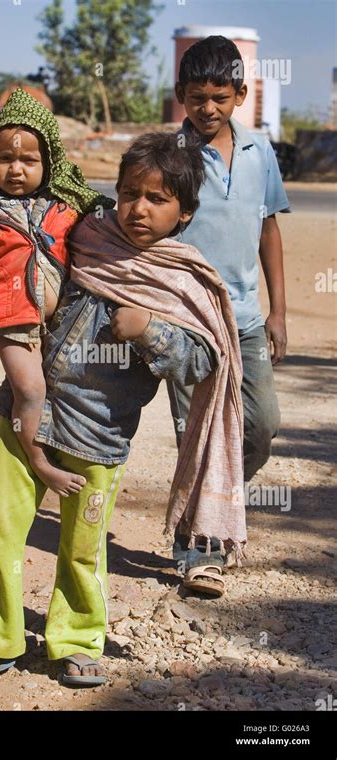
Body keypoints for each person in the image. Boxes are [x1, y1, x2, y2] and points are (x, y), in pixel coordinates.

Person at [0, 132, 244, 688]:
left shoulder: (181, 277)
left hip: (100, 433)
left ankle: (78, 639)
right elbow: (27, 199)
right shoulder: (89, 233)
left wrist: (151, 330)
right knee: (1, 529)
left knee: (83, 545)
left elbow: (202, 360)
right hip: (25, 414)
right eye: (130, 193)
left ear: (185, 213)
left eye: (157, 199)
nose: (139, 209)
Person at [0, 88, 113, 496]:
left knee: (63, 390)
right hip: (13, 323)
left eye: (28, 160)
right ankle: (40, 464)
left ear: (48, 161)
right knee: (31, 390)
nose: (16, 169)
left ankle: (60, 448)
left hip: (63, 322)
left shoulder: (66, 207)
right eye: (6, 159)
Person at [167, 35, 290, 596]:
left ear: (240, 95)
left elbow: (268, 229)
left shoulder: (260, 151)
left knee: (261, 428)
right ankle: (196, 549)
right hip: (189, 319)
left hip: (244, 318)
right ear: (180, 96)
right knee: (194, 433)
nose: (208, 108)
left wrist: (279, 312)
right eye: (197, 97)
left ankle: (220, 503)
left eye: (219, 96)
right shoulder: (170, 157)